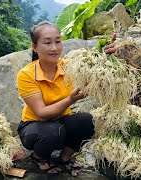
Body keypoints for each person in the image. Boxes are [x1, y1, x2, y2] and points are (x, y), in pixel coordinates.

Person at [16, 21, 95, 176]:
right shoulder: (26, 74)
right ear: (34, 47)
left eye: (58, 41)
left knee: (86, 120)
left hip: (60, 121)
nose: (54, 48)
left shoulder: (68, 66)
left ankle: (65, 157)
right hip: (34, 126)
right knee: (52, 132)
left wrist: (106, 53)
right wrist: (71, 100)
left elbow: (91, 65)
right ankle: (39, 157)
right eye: (47, 42)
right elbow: (42, 113)